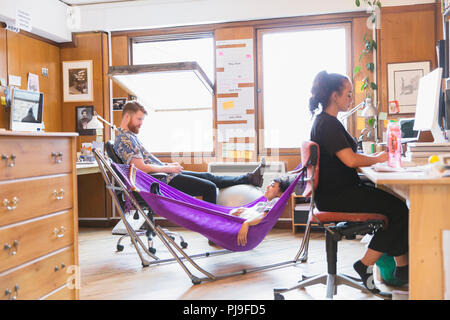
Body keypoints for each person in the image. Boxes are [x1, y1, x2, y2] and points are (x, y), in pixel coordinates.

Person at [308, 71, 409, 296]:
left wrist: (373, 160)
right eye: (348, 94)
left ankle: (403, 268)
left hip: (336, 192)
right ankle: (365, 266)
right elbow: (351, 160)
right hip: (338, 195)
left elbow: (347, 156)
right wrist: (378, 159)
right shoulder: (328, 124)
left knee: (397, 205)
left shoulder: (327, 122)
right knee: (399, 210)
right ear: (335, 95)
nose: (351, 98)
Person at [114, 101, 265, 205]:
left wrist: (167, 165)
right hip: (161, 181)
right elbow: (139, 167)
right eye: (139, 119)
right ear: (127, 116)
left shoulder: (130, 137)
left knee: (208, 176)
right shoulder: (124, 139)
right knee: (210, 187)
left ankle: (249, 178)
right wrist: (167, 169)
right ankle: (211, 230)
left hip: (164, 175)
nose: (141, 123)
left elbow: (145, 163)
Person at [230, 176, 290, 246]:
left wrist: (246, 223)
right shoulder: (261, 203)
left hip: (251, 225)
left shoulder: (276, 201)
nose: (267, 187)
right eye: (269, 184)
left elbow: (264, 216)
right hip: (245, 220)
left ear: (280, 194)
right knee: (233, 211)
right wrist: (242, 210)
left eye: (272, 186)